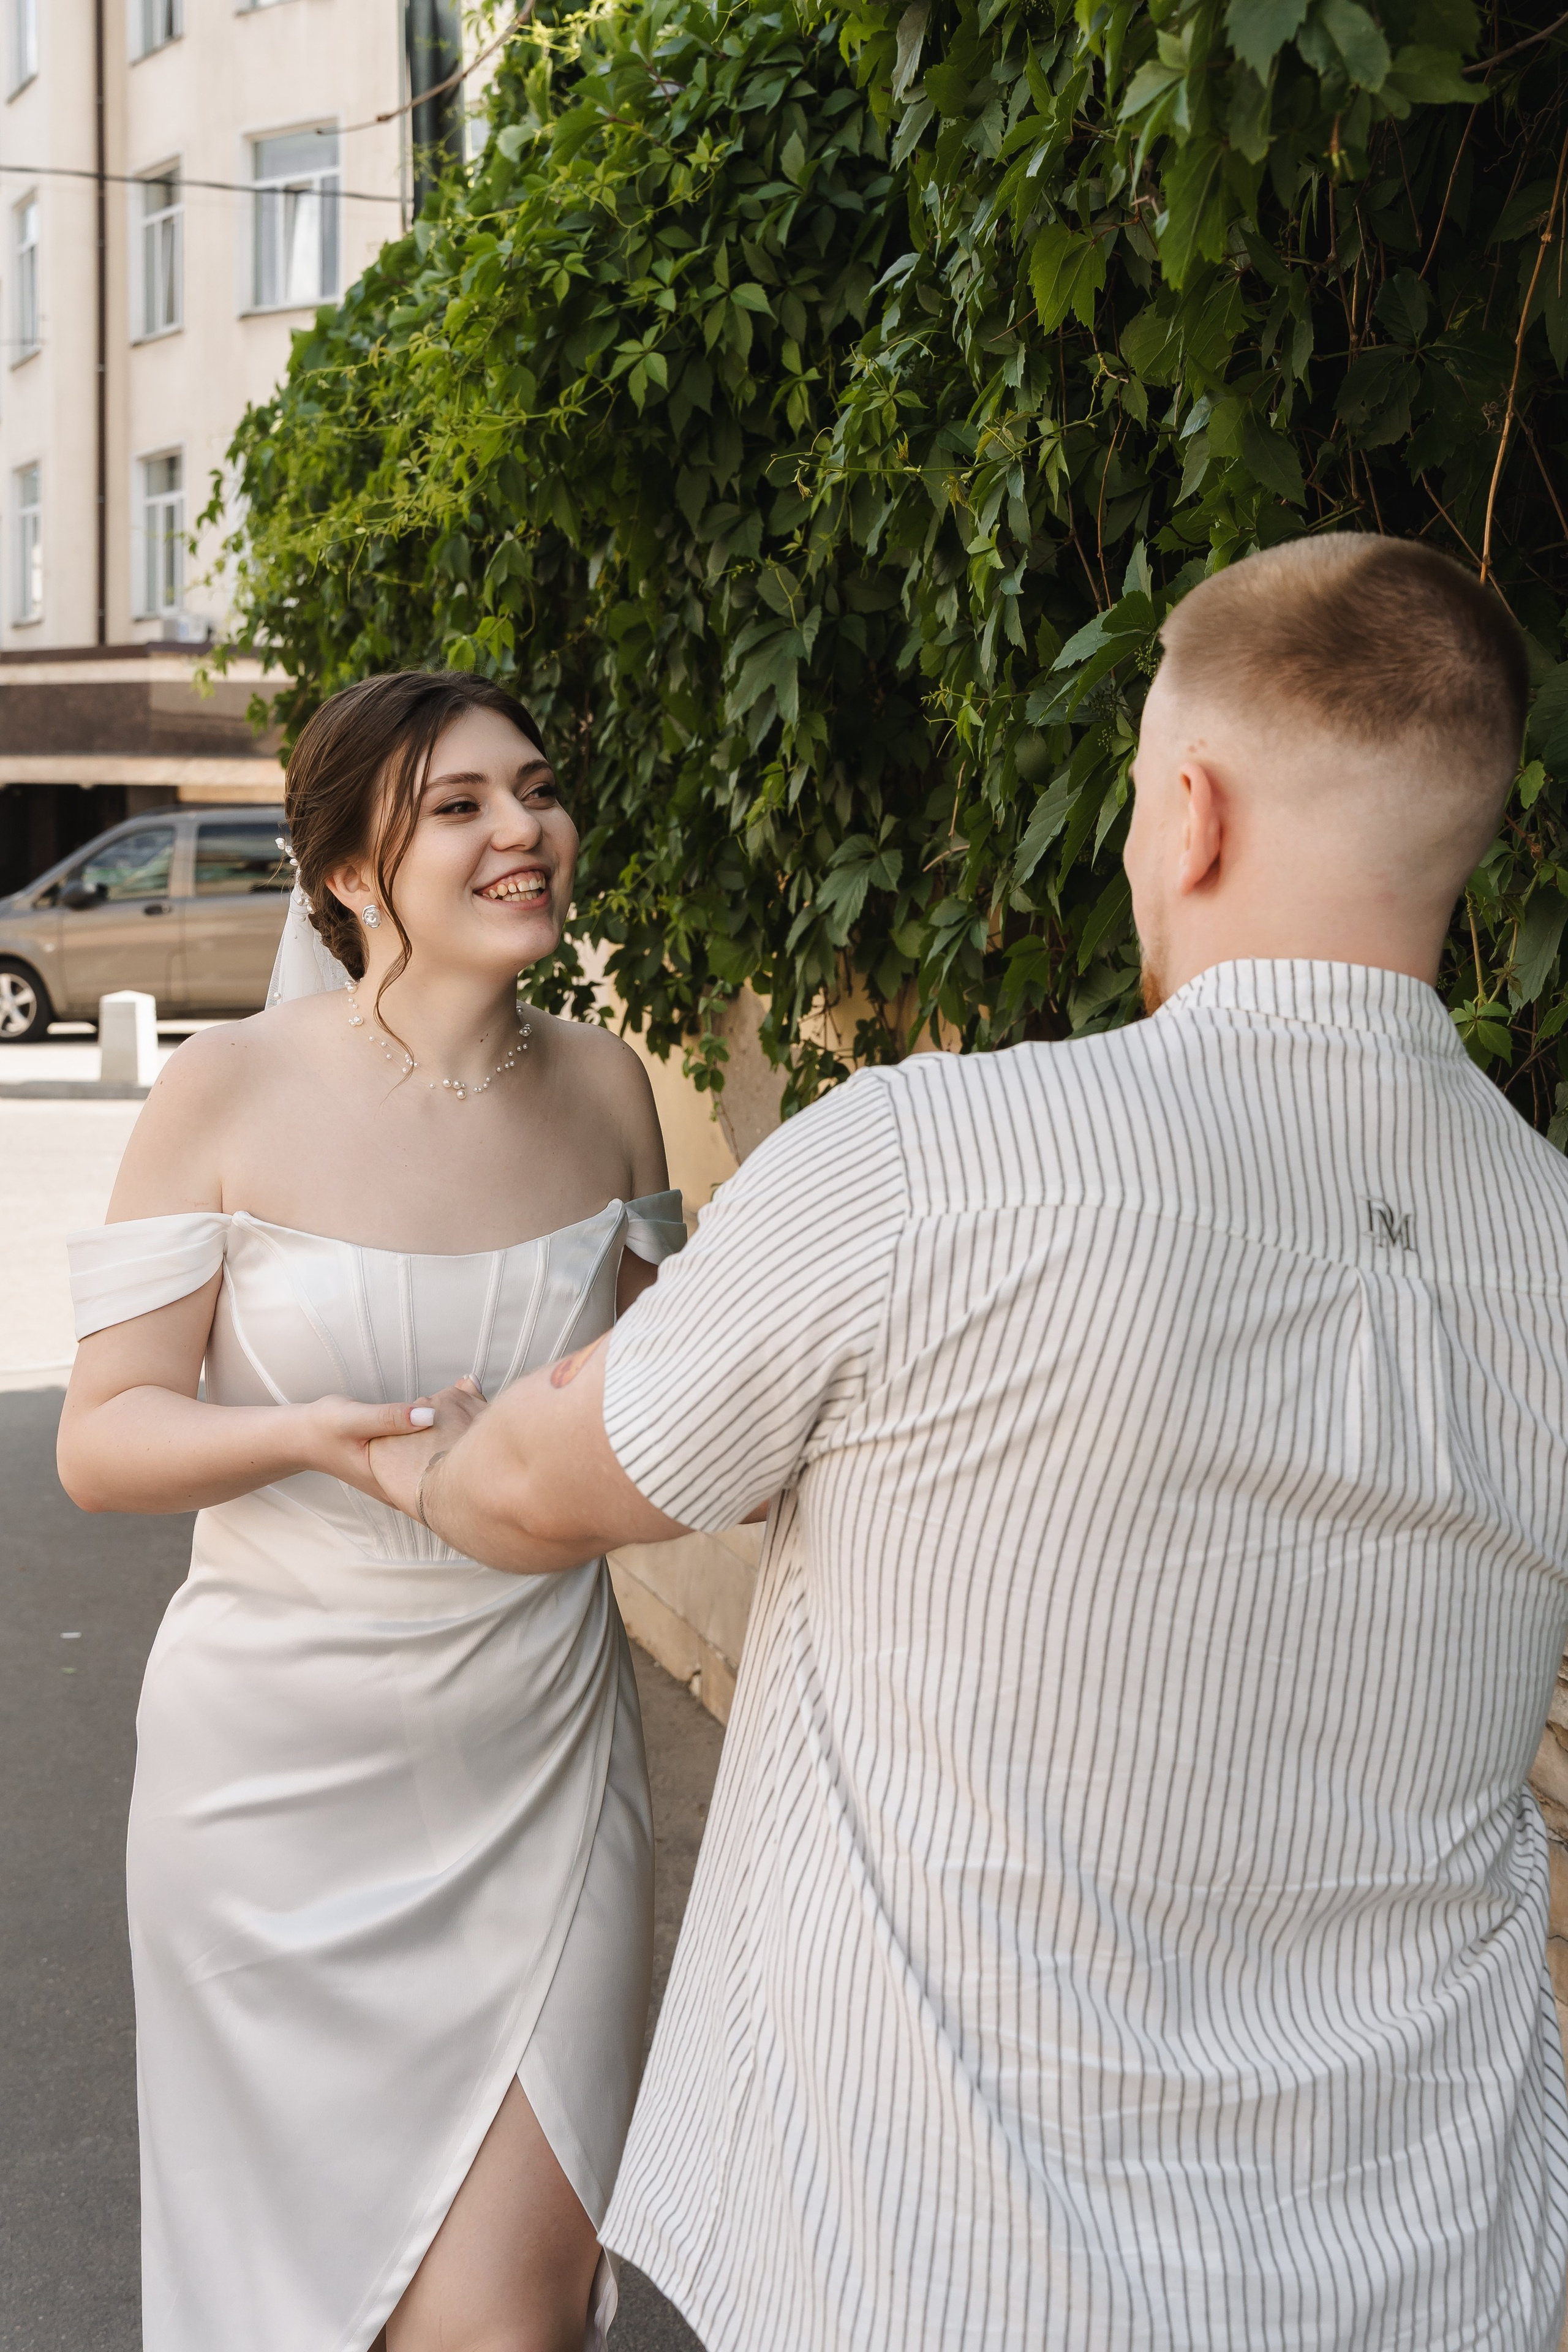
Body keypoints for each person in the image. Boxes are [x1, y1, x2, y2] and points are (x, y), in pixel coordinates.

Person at [359, 537, 1568, 2352]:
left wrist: (421, 1465)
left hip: (922, 2262)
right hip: (1429, 2267)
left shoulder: (935, 1162)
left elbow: (539, 1485)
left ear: (1191, 814)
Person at [55, 670, 684, 2352]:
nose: (523, 831)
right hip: (272, 1782)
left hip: (541, 1757)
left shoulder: (610, 1091)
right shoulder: (224, 1094)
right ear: (346, 874)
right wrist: (315, 1441)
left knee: (520, 2320)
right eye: (461, 806)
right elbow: (102, 1442)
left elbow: (657, 1422)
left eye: (535, 791)